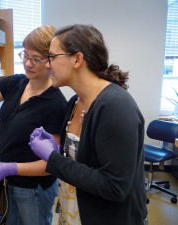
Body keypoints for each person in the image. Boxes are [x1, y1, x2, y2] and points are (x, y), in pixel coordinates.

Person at [29, 24, 148, 225]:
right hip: (75, 212)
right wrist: (58, 148)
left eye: (52, 57)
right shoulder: (75, 102)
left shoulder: (115, 107)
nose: (47, 65)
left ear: (77, 59)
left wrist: (52, 158)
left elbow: (114, 187)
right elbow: (83, 163)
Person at [0, 26, 67, 225]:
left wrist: (10, 167)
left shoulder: (56, 104)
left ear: (51, 61)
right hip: (12, 180)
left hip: (34, 187)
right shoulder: (15, 83)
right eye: (25, 54)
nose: (27, 63)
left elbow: (50, 164)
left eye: (36, 59)